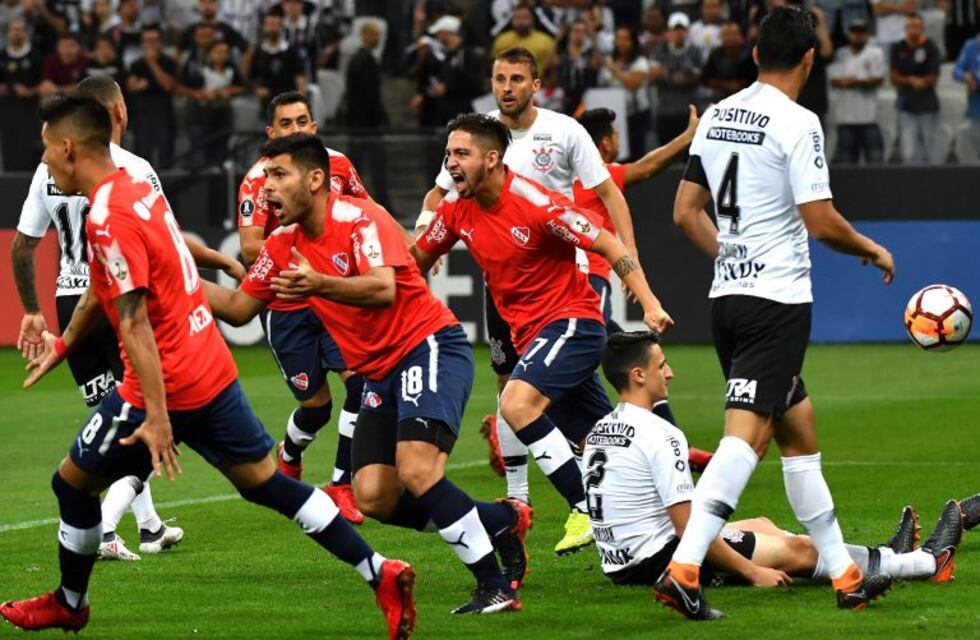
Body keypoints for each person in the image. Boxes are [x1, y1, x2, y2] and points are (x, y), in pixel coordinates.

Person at [0, 96, 416, 640]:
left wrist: (155, 413)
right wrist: (65, 344)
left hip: (163, 380)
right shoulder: (135, 188)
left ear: (69, 147)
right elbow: (110, 289)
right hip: (210, 369)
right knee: (266, 484)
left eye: (48, 148)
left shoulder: (107, 216)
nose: (46, 159)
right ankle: (379, 571)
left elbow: (133, 323)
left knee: (71, 484)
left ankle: (70, 603)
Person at [206, 132, 531, 615]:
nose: (266, 189)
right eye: (264, 177)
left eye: (278, 175)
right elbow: (236, 309)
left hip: (426, 348)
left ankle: (494, 585)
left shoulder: (361, 219)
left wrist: (318, 283)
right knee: (375, 496)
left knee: (418, 471)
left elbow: (383, 289)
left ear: (315, 179)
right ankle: (499, 520)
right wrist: (173, 281)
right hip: (379, 373)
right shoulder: (281, 244)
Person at [660, 6, 897, 619]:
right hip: (776, 303)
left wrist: (733, 256)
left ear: (757, 54)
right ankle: (684, 568)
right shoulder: (798, 122)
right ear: (811, 60)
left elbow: (687, 211)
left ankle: (845, 574)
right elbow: (821, 222)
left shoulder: (715, 115)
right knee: (746, 439)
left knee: (799, 436)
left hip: (729, 299)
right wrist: (869, 247)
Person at [413, 113, 673, 559]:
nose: (451, 163)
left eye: (461, 154)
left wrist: (648, 301)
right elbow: (413, 259)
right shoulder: (456, 209)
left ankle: (587, 508)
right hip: (532, 337)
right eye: (448, 154)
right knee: (602, 440)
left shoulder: (537, 204)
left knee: (515, 402)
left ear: (491, 158)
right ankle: (670, 524)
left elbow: (607, 244)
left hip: (573, 323)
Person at [11, 76, 236, 562]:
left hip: (69, 301)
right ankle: (107, 529)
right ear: (117, 111)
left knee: (111, 415)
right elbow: (167, 240)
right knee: (141, 414)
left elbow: (23, 244)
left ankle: (150, 527)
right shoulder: (131, 169)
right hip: (116, 300)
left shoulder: (45, 168)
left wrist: (32, 310)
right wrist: (221, 261)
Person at [588, 331, 965, 588]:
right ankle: (926, 563)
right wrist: (753, 572)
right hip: (658, 560)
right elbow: (688, 530)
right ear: (638, 375)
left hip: (621, 561)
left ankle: (882, 554)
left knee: (765, 525)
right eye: (661, 365)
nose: (670, 372)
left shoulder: (602, 428)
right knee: (799, 551)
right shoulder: (661, 433)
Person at [237, 91, 368, 524]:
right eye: (286, 124)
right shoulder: (259, 179)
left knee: (361, 385)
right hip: (287, 305)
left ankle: (341, 483)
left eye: (303, 121)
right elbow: (250, 244)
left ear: (314, 127)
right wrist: (302, 251)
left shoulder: (339, 166)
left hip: (334, 297)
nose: (296, 129)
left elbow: (369, 213)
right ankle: (290, 450)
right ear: (271, 133)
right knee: (317, 407)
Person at [345, 21, 394, 214]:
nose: (377, 38)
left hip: (360, 122)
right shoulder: (365, 60)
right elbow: (370, 94)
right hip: (367, 124)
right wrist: (382, 117)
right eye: (373, 34)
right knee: (373, 165)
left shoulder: (359, 59)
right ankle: (381, 204)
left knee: (361, 164)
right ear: (364, 36)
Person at [829, 19, 885, 164]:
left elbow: (878, 79)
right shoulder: (840, 54)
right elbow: (833, 80)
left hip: (869, 117)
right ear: (849, 34)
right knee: (846, 161)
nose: (858, 36)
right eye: (854, 32)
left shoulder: (875, 53)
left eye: (861, 32)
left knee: (875, 160)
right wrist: (846, 82)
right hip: (845, 117)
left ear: (866, 34)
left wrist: (855, 82)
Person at [890, 14, 942, 164]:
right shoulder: (898, 47)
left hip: (928, 105)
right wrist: (911, 80)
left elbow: (932, 78)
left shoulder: (930, 47)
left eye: (916, 27)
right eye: (910, 27)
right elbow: (894, 77)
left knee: (930, 151)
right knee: (909, 152)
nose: (913, 30)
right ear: (905, 28)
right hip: (906, 105)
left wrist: (912, 80)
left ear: (922, 28)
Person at [126, 26, 178, 169]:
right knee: (142, 157)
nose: (150, 45)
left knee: (165, 157)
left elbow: (167, 85)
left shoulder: (169, 62)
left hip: (164, 114)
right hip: (143, 114)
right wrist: (138, 85)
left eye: (154, 41)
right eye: (146, 41)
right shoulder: (135, 64)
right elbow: (131, 86)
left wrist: (151, 62)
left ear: (161, 43)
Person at [598, 27, 651, 160]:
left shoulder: (640, 61)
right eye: (619, 39)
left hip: (635, 115)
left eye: (625, 39)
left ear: (633, 41)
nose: (621, 43)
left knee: (636, 155)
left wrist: (614, 71)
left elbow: (633, 84)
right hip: (614, 116)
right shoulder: (609, 60)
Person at [651, 13, 702, 149]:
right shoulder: (660, 50)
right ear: (670, 32)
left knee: (690, 149)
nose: (679, 33)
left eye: (682, 29)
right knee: (665, 149)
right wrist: (684, 76)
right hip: (666, 110)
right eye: (675, 29)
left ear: (687, 31)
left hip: (689, 109)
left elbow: (699, 77)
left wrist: (667, 75)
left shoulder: (695, 50)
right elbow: (654, 76)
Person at [0, 17, 43, 171]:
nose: (16, 33)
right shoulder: (2, 56)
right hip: (6, 110)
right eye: (13, 29)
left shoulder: (35, 56)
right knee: (9, 145)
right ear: (8, 33)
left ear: (26, 32)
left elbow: (44, 84)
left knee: (29, 145)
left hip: (30, 111)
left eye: (20, 29)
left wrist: (30, 91)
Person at [249, 12, 306, 107]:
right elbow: (252, 79)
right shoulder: (259, 52)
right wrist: (257, 89)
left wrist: (300, 102)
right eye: (269, 25)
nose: (272, 28)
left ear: (281, 28)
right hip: (266, 105)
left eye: (275, 25)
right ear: (264, 28)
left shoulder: (291, 51)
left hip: (288, 102)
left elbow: (300, 79)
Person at [491, 4, 556, 75]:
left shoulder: (545, 40)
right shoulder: (502, 39)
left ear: (532, 19)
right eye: (517, 18)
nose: (521, 21)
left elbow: (552, 67)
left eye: (525, 17)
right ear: (512, 20)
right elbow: (494, 64)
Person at [702, 22, 756, 102]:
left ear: (740, 36)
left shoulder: (749, 55)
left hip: (745, 98)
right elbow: (707, 79)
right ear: (721, 37)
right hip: (719, 98)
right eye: (726, 34)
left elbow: (751, 81)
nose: (730, 38)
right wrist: (727, 85)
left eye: (733, 34)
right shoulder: (715, 54)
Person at [952, 32, 980, 163]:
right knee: (969, 159)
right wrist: (966, 77)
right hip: (975, 113)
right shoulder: (972, 45)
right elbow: (957, 71)